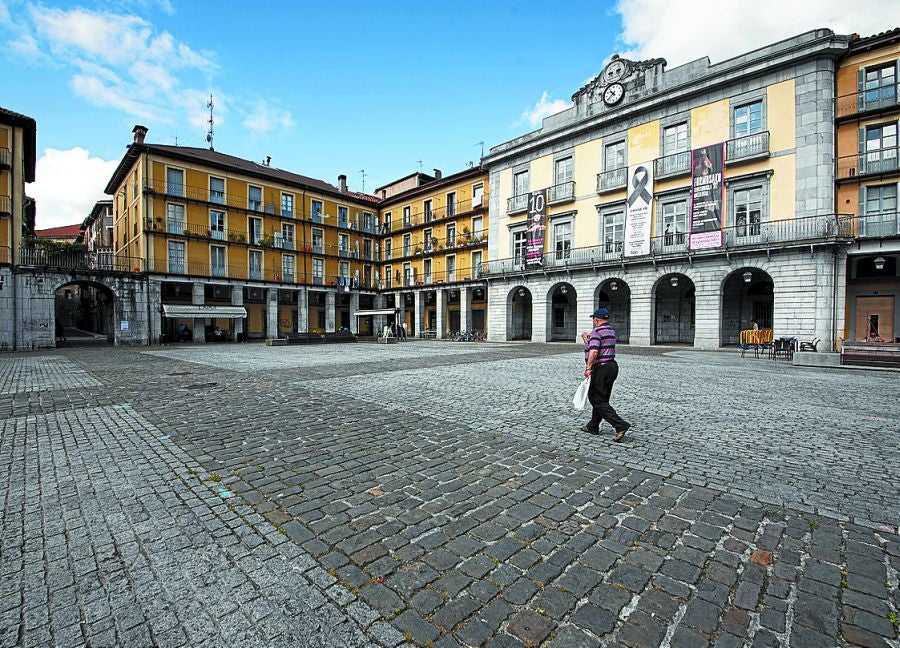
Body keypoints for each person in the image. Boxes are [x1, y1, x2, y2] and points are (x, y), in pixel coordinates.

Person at [581, 307, 630, 442]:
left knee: (596, 399)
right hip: (612, 366)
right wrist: (588, 339)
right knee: (602, 398)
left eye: (593, 320)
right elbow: (601, 344)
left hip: (601, 368)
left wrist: (588, 368)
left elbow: (594, 351)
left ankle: (620, 425)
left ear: (596, 320)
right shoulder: (610, 331)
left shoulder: (596, 331)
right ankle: (593, 426)